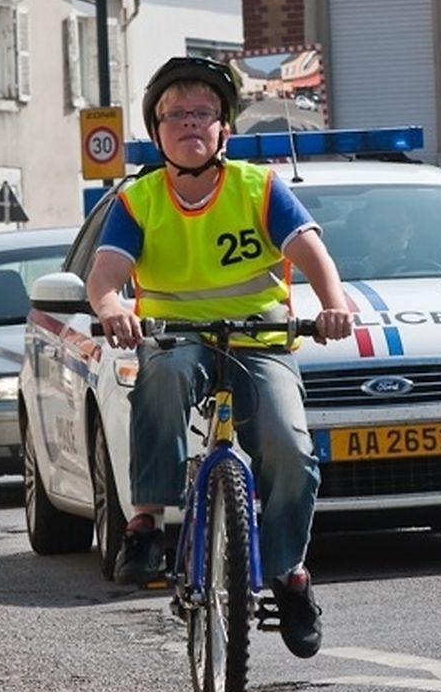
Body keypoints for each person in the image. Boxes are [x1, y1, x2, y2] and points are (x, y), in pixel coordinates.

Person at [86, 56, 352, 659]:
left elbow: (312, 251)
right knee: (163, 374)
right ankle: (146, 524)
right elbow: (105, 275)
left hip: (260, 339)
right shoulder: (139, 200)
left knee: (291, 448)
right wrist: (112, 306)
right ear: (157, 133)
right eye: (175, 115)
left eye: (203, 113)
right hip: (176, 335)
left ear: (224, 129)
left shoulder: (258, 188)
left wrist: (333, 306)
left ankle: (289, 575)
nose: (190, 123)